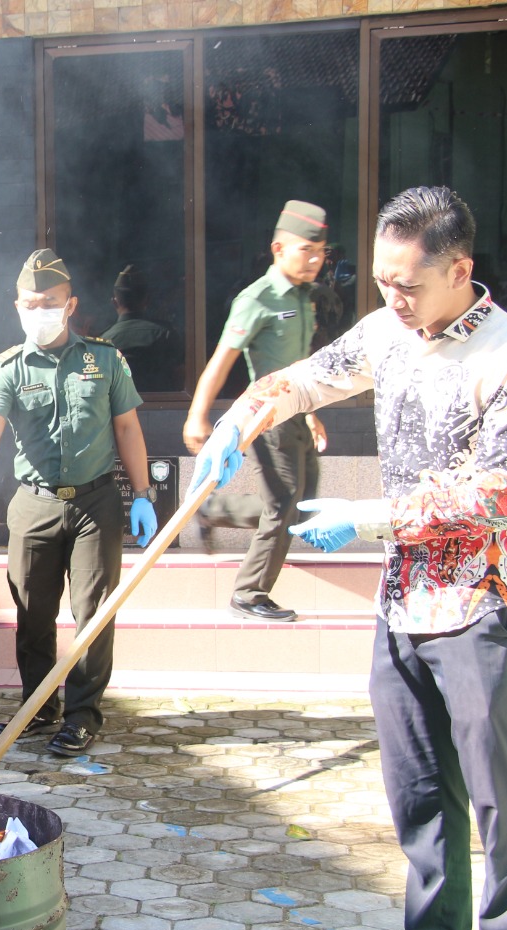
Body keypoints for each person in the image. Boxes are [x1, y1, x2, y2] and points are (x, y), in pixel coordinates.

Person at [195, 186, 507, 930]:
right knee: (418, 793)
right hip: (405, 604)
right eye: (383, 279)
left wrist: (365, 522)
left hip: (488, 608)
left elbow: (499, 492)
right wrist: (239, 422)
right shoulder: (389, 331)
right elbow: (303, 377)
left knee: (501, 808)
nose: (390, 298)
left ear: (459, 270)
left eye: (408, 283)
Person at [0, 249, 158, 756]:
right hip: (34, 505)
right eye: (29, 302)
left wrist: (144, 494)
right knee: (32, 613)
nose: (38, 310)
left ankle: (83, 715)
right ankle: (39, 707)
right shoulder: (8, 369)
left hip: (97, 504)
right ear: (16, 306)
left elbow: (127, 426)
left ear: (70, 305)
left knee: (93, 613)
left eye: (49, 301)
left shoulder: (104, 359)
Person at [183, 201, 331, 621]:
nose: (316, 260)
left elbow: (303, 365)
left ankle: (214, 511)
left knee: (301, 506)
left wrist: (313, 411)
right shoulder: (257, 299)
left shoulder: (304, 296)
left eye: (321, 252)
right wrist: (198, 415)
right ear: (278, 249)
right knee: (285, 504)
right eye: (307, 250)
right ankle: (249, 594)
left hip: (298, 412)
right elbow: (221, 360)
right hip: (266, 419)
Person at [100, 265, 182, 394]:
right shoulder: (166, 334)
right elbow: (181, 380)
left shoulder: (103, 341)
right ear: (147, 300)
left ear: (114, 303)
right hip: (164, 410)